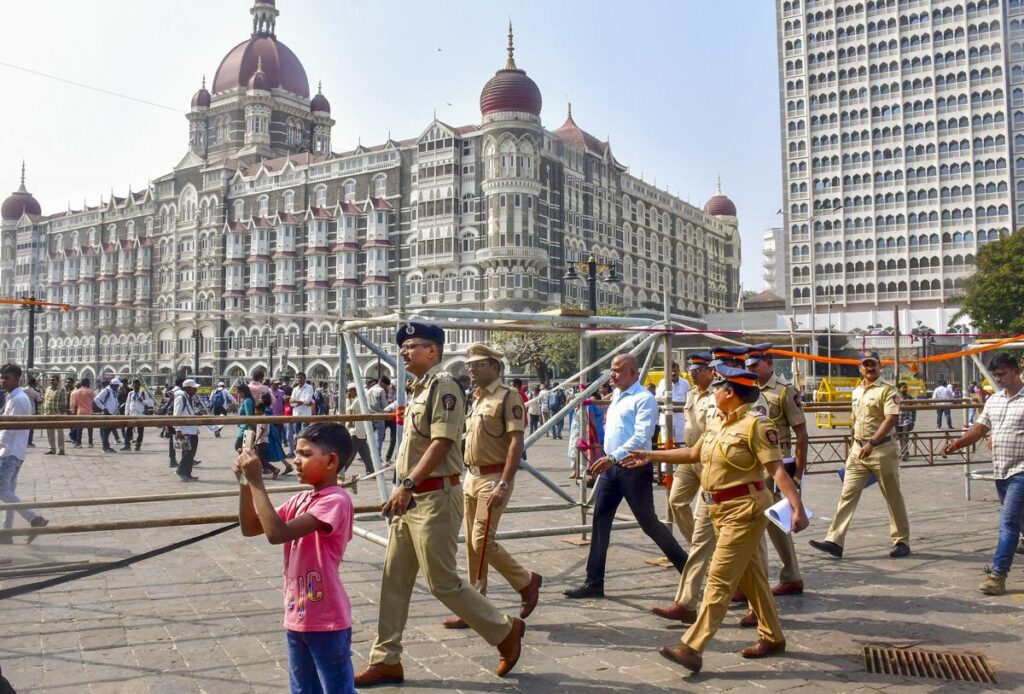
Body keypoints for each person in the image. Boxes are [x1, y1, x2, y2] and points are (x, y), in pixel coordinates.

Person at [355, 322, 524, 687]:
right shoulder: (419, 390)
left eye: (412, 346)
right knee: (393, 580)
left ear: (433, 351)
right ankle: (386, 659)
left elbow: (442, 443)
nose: (404, 352)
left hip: (434, 497)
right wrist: (403, 487)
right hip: (411, 497)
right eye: (402, 346)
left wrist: (409, 484)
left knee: (442, 582)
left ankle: (505, 630)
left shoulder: (444, 387)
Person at [628, 364, 808, 673]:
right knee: (753, 579)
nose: (714, 393)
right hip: (717, 510)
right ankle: (773, 636)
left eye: (720, 389)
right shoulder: (716, 422)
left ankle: (692, 647)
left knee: (719, 580)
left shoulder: (756, 425)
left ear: (731, 393)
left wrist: (797, 507)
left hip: (745, 510)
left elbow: (776, 470)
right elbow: (692, 454)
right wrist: (651, 455)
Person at [235, 422, 356, 694]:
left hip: (327, 619)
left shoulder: (335, 500)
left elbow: (277, 533)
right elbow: (251, 527)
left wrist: (256, 480)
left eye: (305, 454)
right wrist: (245, 484)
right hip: (297, 614)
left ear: (331, 461)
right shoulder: (303, 498)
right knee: (303, 689)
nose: (296, 460)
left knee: (337, 689)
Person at [563, 354, 689, 599]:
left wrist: (613, 457)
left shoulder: (644, 399)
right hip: (611, 469)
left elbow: (641, 438)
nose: (613, 374)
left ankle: (687, 569)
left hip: (633, 467)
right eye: (612, 370)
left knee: (649, 523)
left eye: (618, 370)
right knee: (600, 521)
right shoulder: (617, 396)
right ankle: (594, 581)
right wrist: (606, 457)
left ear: (633, 372)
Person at [440, 344, 542, 630]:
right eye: (470, 364)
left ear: (495, 367)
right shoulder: (476, 398)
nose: (470, 368)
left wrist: (504, 482)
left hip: (494, 477)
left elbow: (515, 443)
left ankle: (526, 580)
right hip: (471, 476)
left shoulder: (508, 397)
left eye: (478, 364)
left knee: (481, 540)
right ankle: (475, 608)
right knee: (474, 550)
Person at [810, 350, 910, 559]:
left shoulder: (887, 390)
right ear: (860, 367)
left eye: (873, 364)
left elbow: (890, 419)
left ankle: (901, 540)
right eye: (866, 364)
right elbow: (855, 420)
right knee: (847, 494)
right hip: (858, 451)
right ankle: (834, 540)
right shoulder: (857, 392)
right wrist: (856, 444)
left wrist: (872, 442)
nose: (870, 368)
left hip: (882, 449)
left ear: (879, 366)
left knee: (892, 495)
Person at [944, 352, 1024, 596]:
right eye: (995, 375)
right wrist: (957, 444)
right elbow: (980, 428)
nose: (998, 379)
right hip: (1002, 471)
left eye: (1002, 374)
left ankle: (997, 575)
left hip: (1022, 471)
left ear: (1015, 371)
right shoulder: (994, 400)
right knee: (1020, 522)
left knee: (1008, 522)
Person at [745, 344, 808, 599]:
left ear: (768, 363)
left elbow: (801, 433)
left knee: (766, 520)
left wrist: (797, 474)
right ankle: (791, 576)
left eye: (755, 365)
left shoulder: (783, 392)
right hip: (754, 464)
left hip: (775, 464)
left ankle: (764, 582)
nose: (750, 369)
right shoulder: (748, 391)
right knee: (773, 521)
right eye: (748, 366)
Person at [0, 363, 49, 543]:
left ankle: (34, 518)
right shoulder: (13, 397)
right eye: (2, 377)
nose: (3, 381)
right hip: (14, 451)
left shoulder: (19, 399)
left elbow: (8, 430)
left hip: (9, 451)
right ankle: (6, 533)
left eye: (7, 377)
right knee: (8, 492)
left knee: (2, 491)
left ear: (17, 378)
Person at [173, 379, 202, 482]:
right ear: (187, 388)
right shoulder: (181, 398)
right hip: (185, 430)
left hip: (192, 429)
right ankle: (181, 471)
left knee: (191, 452)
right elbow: (176, 414)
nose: (195, 390)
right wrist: (178, 430)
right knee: (187, 452)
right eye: (193, 388)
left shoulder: (189, 398)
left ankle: (187, 473)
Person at [344, 383, 375, 476]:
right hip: (357, 430)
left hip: (356, 430)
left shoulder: (358, 400)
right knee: (365, 453)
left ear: (356, 390)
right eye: (348, 390)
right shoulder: (352, 400)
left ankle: (341, 471)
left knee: (350, 454)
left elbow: (349, 411)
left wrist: (348, 401)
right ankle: (371, 470)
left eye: (351, 390)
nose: (349, 392)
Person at [657, 362, 691, 447]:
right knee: (666, 444)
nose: (673, 373)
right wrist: (664, 396)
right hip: (665, 419)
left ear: (679, 371)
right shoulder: (662, 382)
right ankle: (666, 460)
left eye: (675, 371)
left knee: (681, 444)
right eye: (670, 371)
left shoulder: (685, 383)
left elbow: (689, 399)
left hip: (680, 419)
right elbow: (657, 398)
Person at [123, 379, 155, 451]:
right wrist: (126, 414)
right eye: (135, 385)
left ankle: (138, 445)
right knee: (129, 430)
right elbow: (127, 404)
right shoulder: (130, 393)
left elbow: (150, 402)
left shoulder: (143, 393)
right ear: (133, 385)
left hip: (140, 414)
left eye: (138, 385)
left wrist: (143, 401)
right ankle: (127, 445)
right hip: (132, 414)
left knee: (140, 431)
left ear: (139, 386)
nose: (136, 387)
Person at [42, 373, 68, 456]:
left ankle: (61, 449)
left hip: (57, 413)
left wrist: (61, 412)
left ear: (57, 381)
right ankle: (52, 448)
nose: (51, 381)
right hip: (48, 412)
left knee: (59, 432)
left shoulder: (61, 389)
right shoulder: (48, 389)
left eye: (53, 380)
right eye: (50, 380)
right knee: (50, 431)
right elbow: (45, 400)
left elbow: (64, 402)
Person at [94, 378, 122, 453]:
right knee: (105, 431)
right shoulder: (106, 390)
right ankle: (105, 447)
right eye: (117, 385)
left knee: (107, 431)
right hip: (107, 413)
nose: (118, 387)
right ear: (113, 385)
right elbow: (96, 399)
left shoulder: (113, 391)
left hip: (112, 414)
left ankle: (106, 446)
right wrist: (104, 408)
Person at [290, 371, 315, 456]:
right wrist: (299, 402)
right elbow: (291, 403)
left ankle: (304, 450)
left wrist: (296, 401)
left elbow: (307, 400)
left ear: (304, 378)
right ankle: (297, 450)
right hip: (296, 413)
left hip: (305, 413)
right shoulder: (295, 389)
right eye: (297, 377)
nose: (299, 379)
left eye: (301, 377)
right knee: (296, 434)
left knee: (304, 433)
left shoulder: (309, 387)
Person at [69, 378, 96, 448]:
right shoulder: (90, 391)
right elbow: (96, 399)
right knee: (90, 429)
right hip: (89, 412)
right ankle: (90, 443)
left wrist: (74, 412)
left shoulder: (76, 392)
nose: (90, 384)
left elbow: (75, 404)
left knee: (79, 429)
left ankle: (78, 443)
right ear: (87, 383)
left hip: (80, 412)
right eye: (89, 383)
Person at [366, 376, 388, 456]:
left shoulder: (369, 391)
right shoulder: (381, 390)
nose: (386, 387)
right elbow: (385, 405)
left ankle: (370, 455)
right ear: (382, 383)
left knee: (370, 438)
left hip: (370, 416)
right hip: (379, 416)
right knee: (379, 438)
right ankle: (377, 456)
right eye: (386, 385)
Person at [896, 381, 916, 460]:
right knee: (901, 438)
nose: (905, 389)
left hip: (907, 421)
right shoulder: (895, 398)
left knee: (905, 438)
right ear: (899, 389)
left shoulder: (909, 397)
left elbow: (914, 410)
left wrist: (913, 421)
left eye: (906, 387)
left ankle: (903, 454)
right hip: (897, 421)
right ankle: (905, 452)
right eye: (903, 388)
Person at [23, 376, 42, 448]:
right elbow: (40, 401)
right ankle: (29, 442)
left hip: (23, 411)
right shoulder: (35, 392)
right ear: (34, 384)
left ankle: (24, 441)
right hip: (32, 411)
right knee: (31, 427)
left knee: (23, 427)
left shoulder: (23, 390)